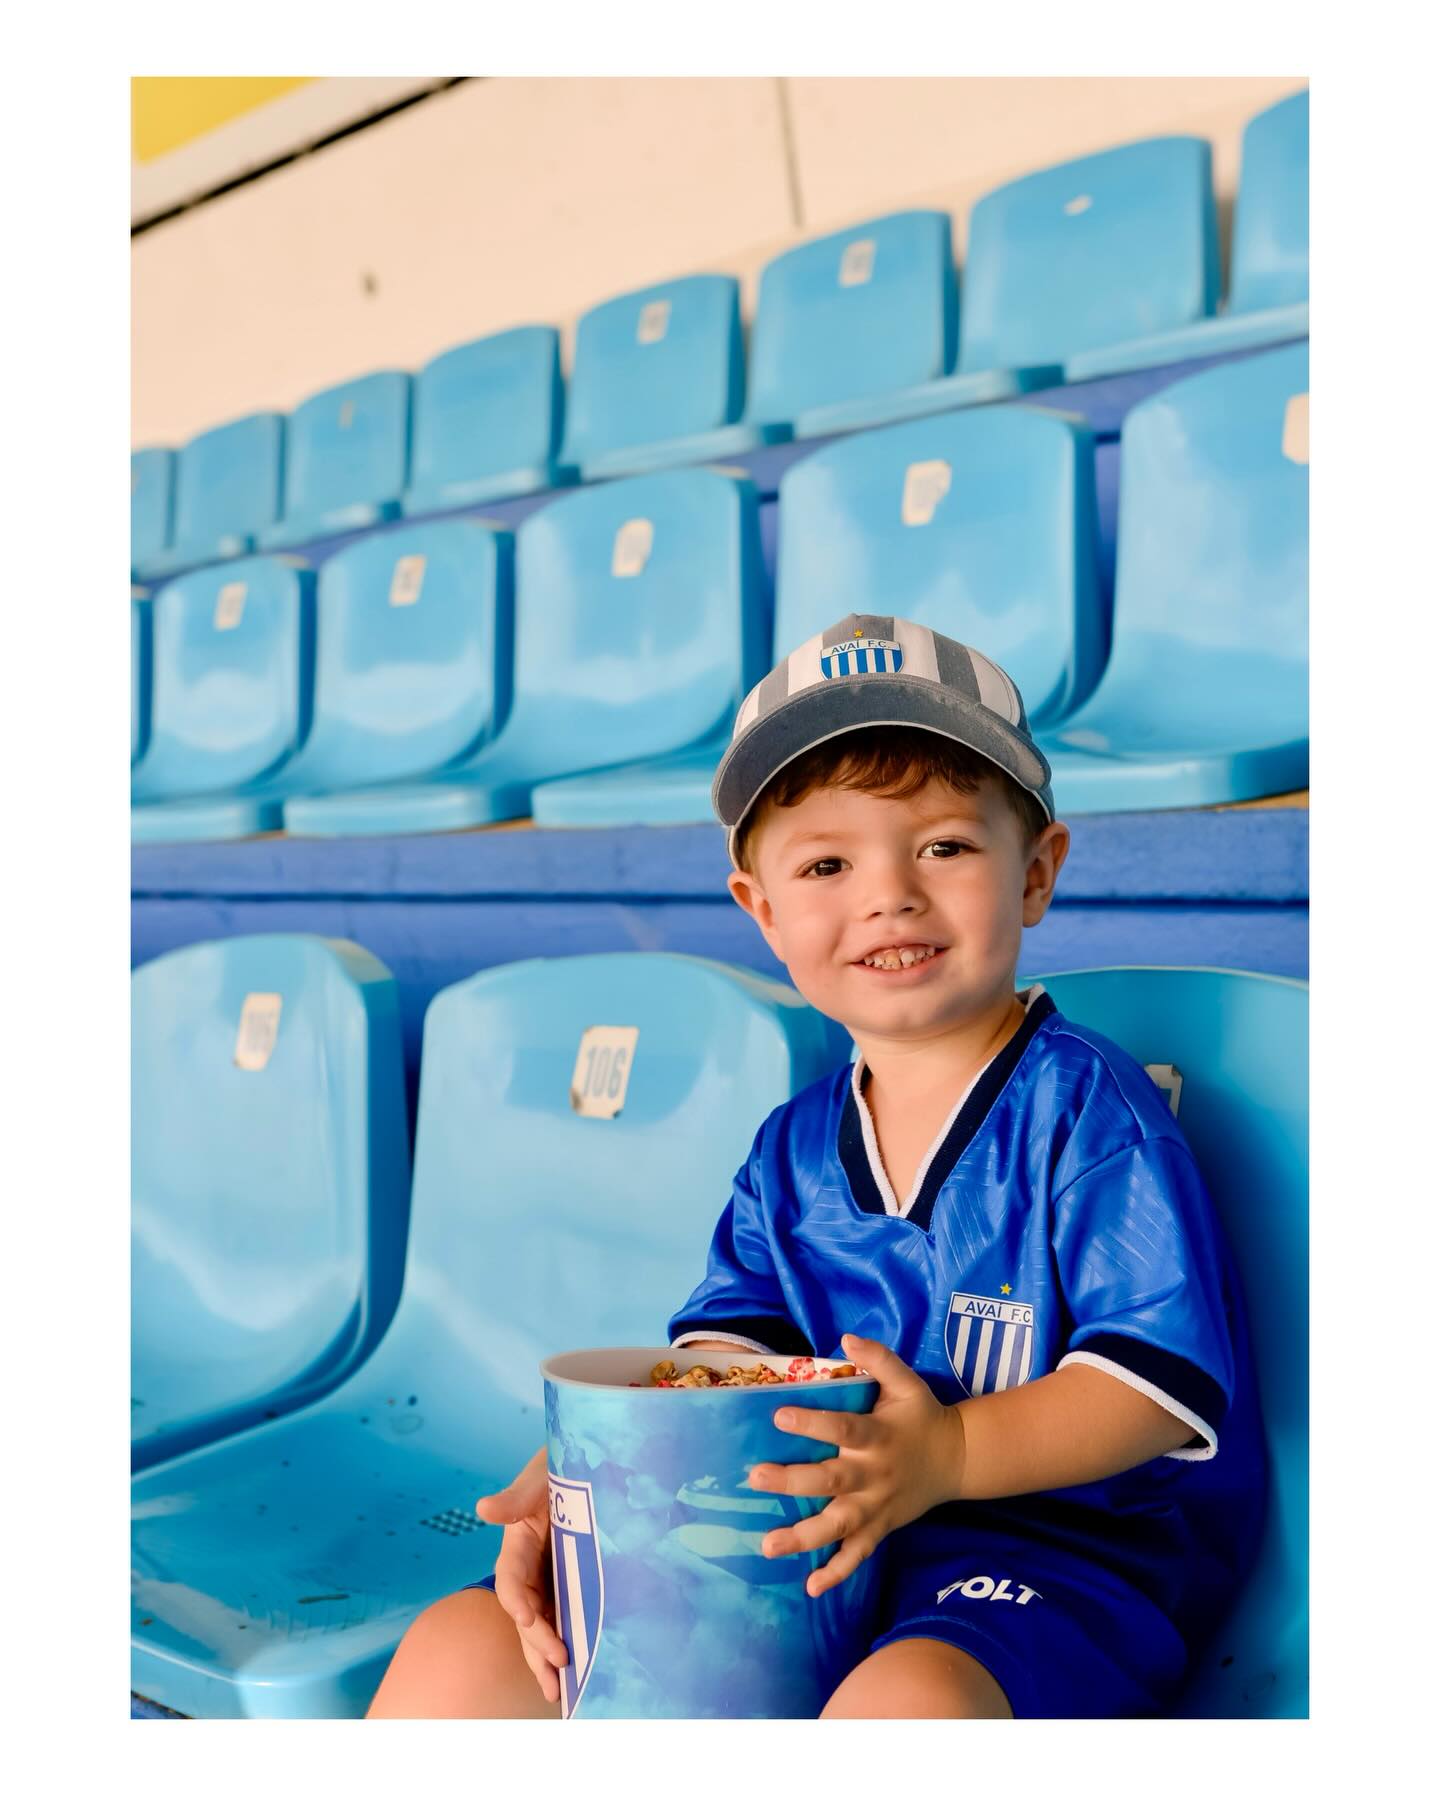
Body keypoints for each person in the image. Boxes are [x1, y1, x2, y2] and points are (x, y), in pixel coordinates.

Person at [367, 613, 1265, 1720]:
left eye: (944, 845)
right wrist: (596, 1481)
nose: (889, 893)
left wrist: (949, 1455)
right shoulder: (792, 1145)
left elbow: (1150, 1393)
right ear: (763, 911)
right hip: (819, 1536)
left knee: (907, 1709)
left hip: (1056, 1563)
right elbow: (733, 1353)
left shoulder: (1091, 1114)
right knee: (468, 1646)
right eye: (828, 863)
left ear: (1036, 873)